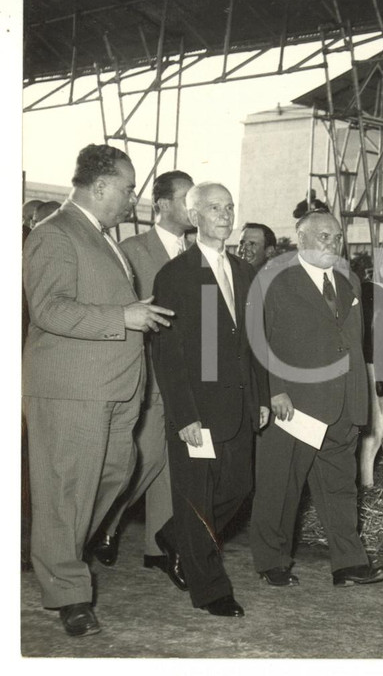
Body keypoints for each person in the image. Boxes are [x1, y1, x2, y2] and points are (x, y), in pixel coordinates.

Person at [22, 144, 173, 637]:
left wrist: (132, 311)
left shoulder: (102, 237)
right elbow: (49, 308)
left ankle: (55, 553)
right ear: (101, 185)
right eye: (129, 188)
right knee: (69, 490)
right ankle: (69, 592)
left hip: (115, 387)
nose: (133, 198)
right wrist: (122, 316)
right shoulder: (55, 234)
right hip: (73, 387)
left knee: (116, 473)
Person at [248, 211, 383, 588]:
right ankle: (272, 560)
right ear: (300, 237)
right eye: (323, 236)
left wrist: (361, 397)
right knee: (281, 486)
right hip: (294, 402)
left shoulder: (350, 281)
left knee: (341, 487)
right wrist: (274, 389)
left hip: (344, 403)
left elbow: (352, 342)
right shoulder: (273, 281)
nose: (332, 244)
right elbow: (258, 340)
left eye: (337, 237)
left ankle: (348, 563)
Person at [150, 182, 269, 618]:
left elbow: (252, 342)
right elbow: (170, 353)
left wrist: (259, 396)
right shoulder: (177, 275)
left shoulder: (245, 272)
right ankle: (210, 589)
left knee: (240, 487)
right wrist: (184, 415)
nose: (224, 214)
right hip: (197, 411)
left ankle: (175, 535)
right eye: (214, 207)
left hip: (238, 404)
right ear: (193, 214)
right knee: (198, 497)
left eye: (229, 207)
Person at [89, 170, 194, 592]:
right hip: (148, 373)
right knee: (145, 458)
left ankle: (157, 548)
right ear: (163, 204)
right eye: (188, 198)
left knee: (174, 464)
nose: (194, 207)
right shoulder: (131, 251)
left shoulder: (198, 254)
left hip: (186, 379)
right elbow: (125, 315)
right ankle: (101, 525)